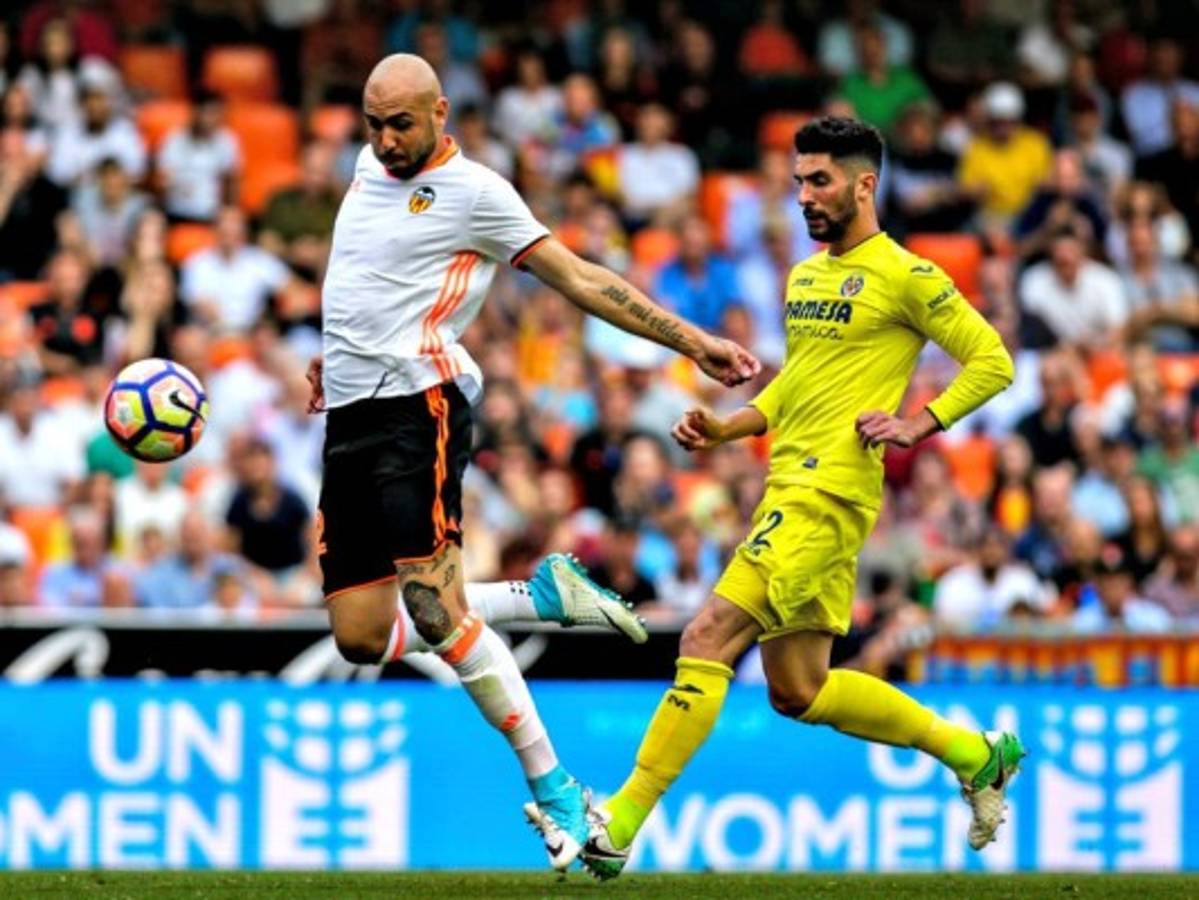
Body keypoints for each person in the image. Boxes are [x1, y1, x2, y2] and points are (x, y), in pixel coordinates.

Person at [305, 54, 759, 872]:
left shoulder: (476, 191)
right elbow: (363, 280)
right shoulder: (367, 172)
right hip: (346, 417)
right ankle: (539, 595)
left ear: (441, 111)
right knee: (360, 637)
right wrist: (329, 361)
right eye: (372, 123)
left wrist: (692, 342)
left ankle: (557, 791)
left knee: (437, 616)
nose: (383, 139)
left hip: (420, 409)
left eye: (400, 123)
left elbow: (580, 278)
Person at [555, 117, 1021, 880]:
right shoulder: (805, 277)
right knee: (797, 691)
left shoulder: (907, 275)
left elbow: (991, 359)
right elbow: (801, 384)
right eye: (797, 181)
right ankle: (975, 754)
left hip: (828, 496)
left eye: (819, 181)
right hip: (791, 485)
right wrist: (730, 426)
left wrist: (916, 423)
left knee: (705, 638)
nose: (802, 196)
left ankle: (620, 819)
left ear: (864, 185)